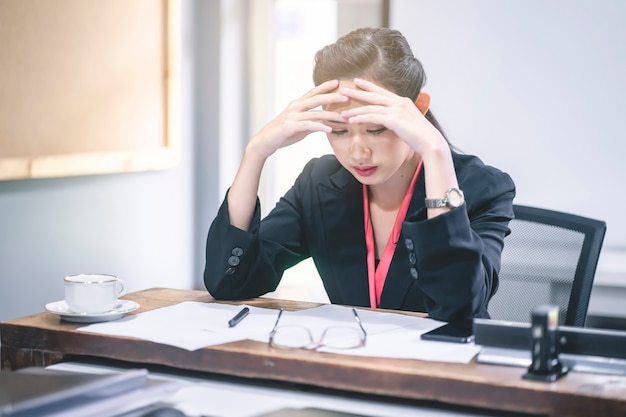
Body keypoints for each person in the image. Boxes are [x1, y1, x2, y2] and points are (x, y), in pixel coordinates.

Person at [204, 27, 515, 322]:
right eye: (338, 131)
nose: (357, 153)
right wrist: (256, 151)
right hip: (353, 366)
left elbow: (459, 307)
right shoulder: (318, 184)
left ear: (418, 108)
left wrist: (435, 151)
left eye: (375, 128)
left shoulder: (482, 188)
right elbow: (230, 282)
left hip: (441, 371)